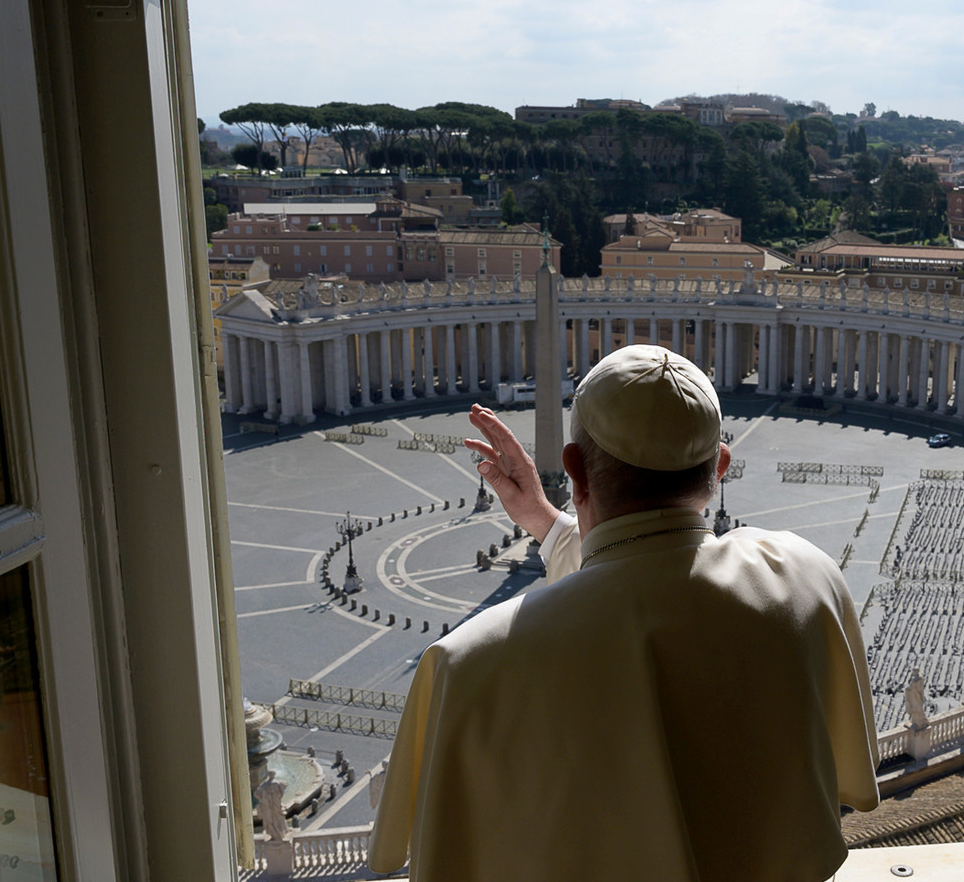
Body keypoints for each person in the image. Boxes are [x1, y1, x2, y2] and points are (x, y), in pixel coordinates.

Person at [367, 345, 879, 881]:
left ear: (573, 469)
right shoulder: (807, 574)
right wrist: (547, 522)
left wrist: (557, 518)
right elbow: (650, 574)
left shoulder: (465, 664)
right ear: (720, 467)